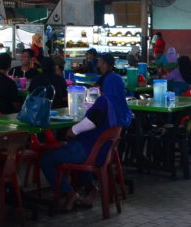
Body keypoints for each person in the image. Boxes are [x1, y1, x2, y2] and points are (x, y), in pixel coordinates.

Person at [41, 51, 132, 211]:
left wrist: (73, 130)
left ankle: (69, 194)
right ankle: (90, 190)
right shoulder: (121, 105)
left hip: (89, 152)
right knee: (76, 152)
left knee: (47, 159)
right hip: (104, 153)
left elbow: (91, 121)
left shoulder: (104, 101)